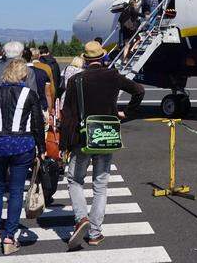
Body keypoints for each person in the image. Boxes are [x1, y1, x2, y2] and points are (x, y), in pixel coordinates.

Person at [60, 41, 144, 250]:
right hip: (107, 135)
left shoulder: (76, 79)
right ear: (103, 57)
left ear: (85, 60)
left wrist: (64, 143)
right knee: (100, 185)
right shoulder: (113, 76)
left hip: (83, 138)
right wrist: (128, 113)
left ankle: (81, 218)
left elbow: (67, 114)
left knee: (75, 180)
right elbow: (139, 91)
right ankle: (95, 232)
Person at [0, 59, 45, 255]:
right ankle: (9, 237)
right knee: (16, 190)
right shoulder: (29, 94)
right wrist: (42, 148)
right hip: (22, 145)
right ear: (23, 75)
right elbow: (37, 123)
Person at [23, 48, 53, 116]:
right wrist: (50, 110)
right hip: (42, 107)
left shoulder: (18, 73)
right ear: (31, 57)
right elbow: (48, 94)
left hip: (25, 108)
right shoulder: (43, 72)